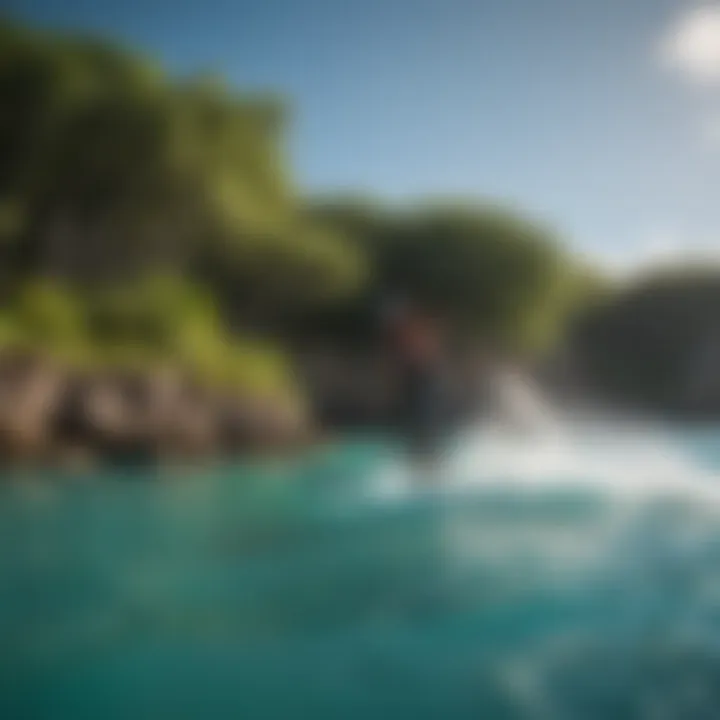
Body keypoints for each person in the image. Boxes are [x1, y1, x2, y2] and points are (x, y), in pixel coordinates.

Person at [382, 301, 448, 465]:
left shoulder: (415, 331)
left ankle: (428, 457)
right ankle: (424, 457)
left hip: (423, 378)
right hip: (417, 378)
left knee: (424, 417)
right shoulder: (410, 332)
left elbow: (423, 355)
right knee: (418, 419)